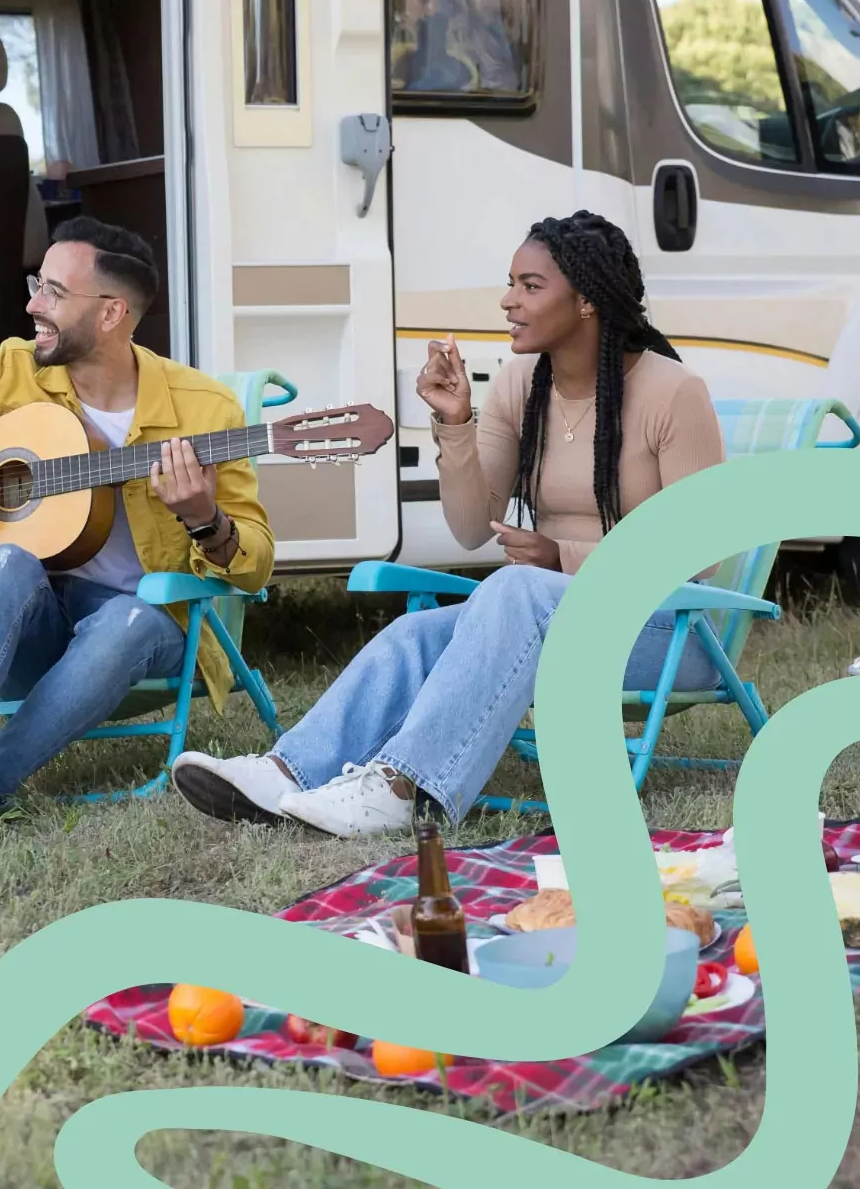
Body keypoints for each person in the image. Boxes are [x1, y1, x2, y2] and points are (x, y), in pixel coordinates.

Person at [171, 211, 725, 838]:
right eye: (510, 282)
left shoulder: (673, 393)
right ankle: (286, 771)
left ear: (589, 301)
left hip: (664, 631)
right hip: (555, 621)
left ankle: (401, 787)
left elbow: (697, 557)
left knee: (515, 589)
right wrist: (455, 424)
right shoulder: (523, 385)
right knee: (416, 634)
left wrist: (561, 556)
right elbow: (469, 528)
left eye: (530, 286)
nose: (508, 300)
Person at [0, 216, 276, 851]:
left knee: (136, 617)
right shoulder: (15, 374)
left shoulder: (205, 411)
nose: (33, 304)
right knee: (8, 558)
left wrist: (205, 518)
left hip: (136, 636)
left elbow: (254, 567)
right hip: (24, 626)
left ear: (112, 313)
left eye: (53, 293)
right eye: (38, 284)